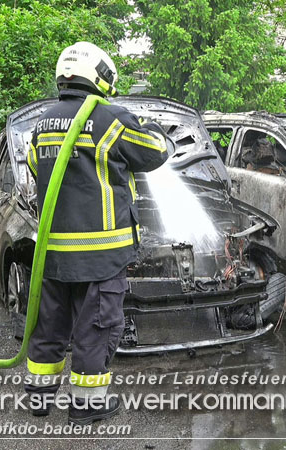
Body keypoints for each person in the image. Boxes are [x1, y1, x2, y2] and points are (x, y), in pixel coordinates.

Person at [24, 41, 173, 425]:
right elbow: (155, 150)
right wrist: (149, 123)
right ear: (99, 76)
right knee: (96, 330)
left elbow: (35, 168)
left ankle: (39, 399)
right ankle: (87, 406)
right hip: (101, 254)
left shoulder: (42, 124)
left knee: (49, 327)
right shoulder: (110, 119)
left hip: (53, 254)